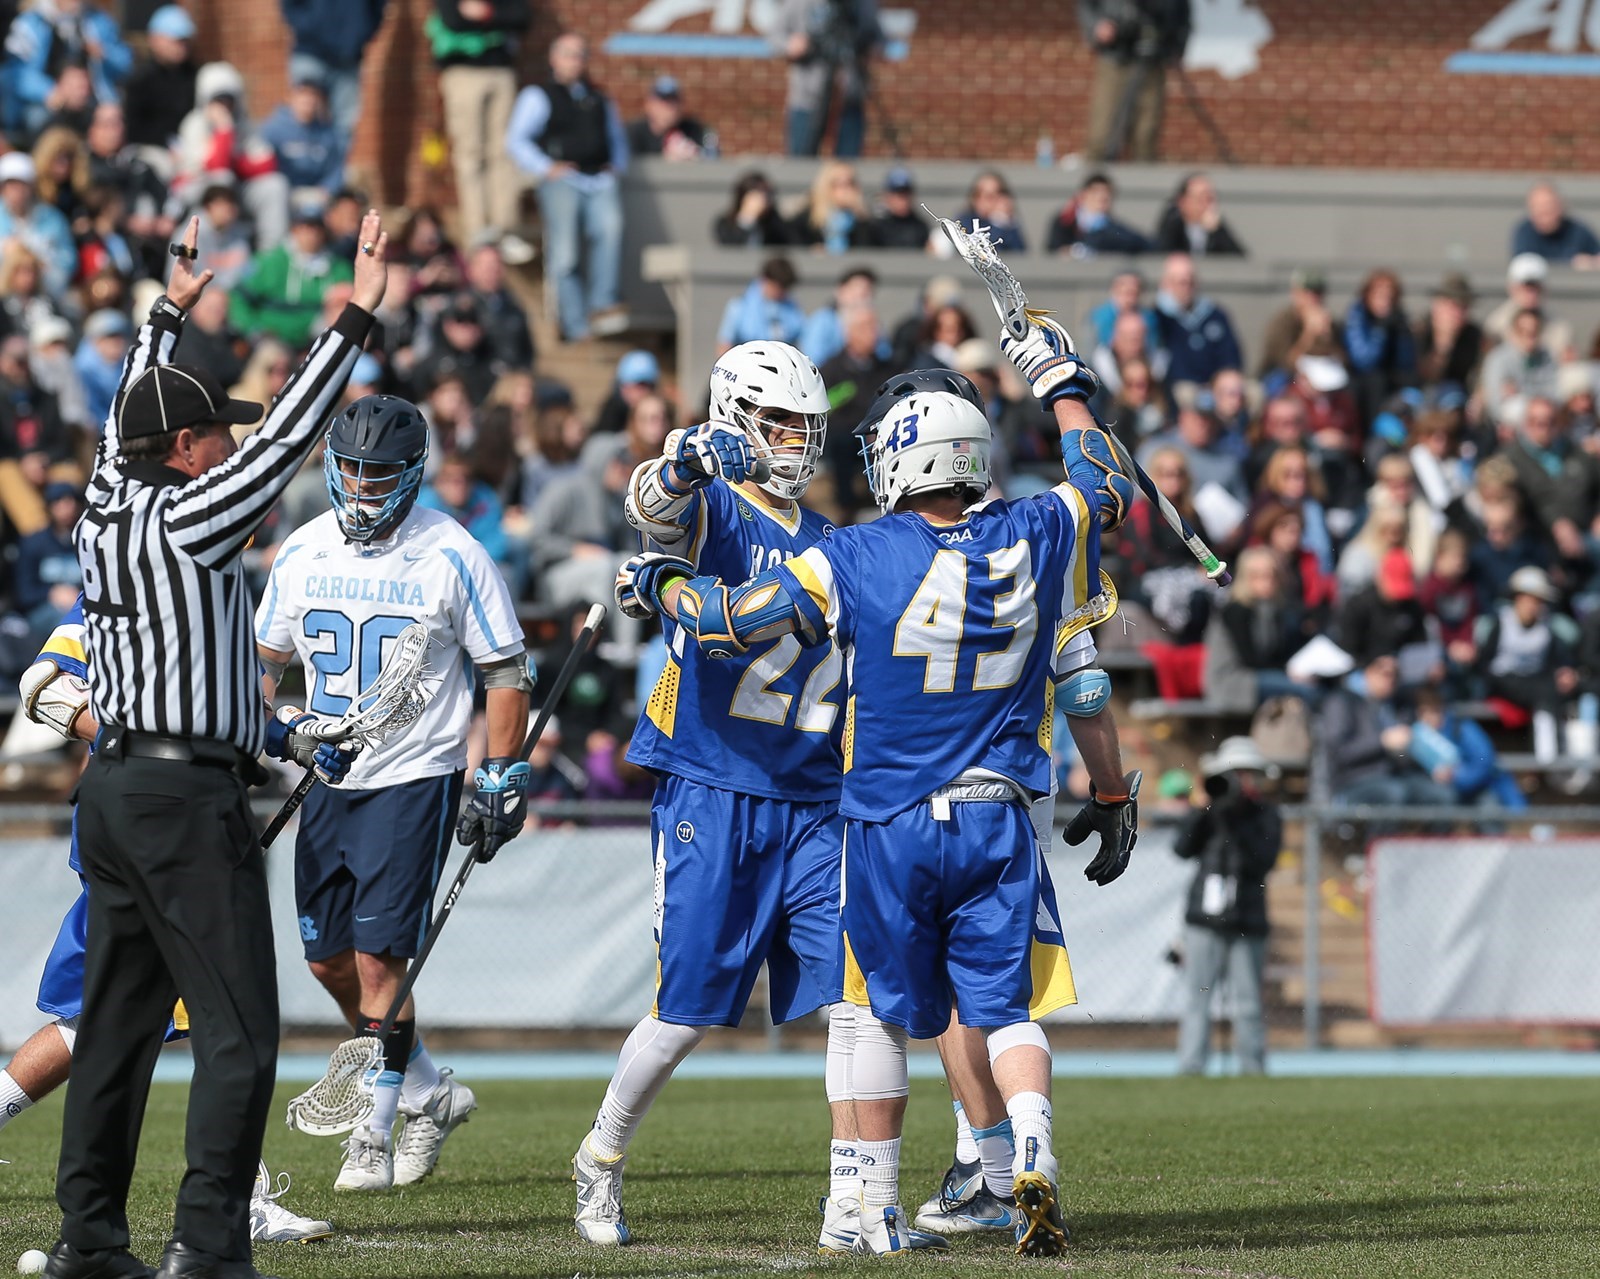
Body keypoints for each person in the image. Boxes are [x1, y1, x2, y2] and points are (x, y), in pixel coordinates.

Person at [616, 312, 1141, 1257]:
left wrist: (661, 590)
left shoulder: (851, 552)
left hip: (887, 817)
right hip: (1000, 811)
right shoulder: (1035, 531)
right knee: (1004, 1007)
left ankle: (873, 1208)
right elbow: (1107, 487)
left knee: (880, 1011)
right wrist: (1062, 381)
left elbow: (738, 621)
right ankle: (1022, 1154)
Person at [49, 211, 387, 1279]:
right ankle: (207, 1242)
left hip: (113, 793)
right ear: (188, 448)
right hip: (182, 803)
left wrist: (165, 313)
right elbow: (292, 433)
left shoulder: (104, 502)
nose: (233, 442)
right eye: (216, 433)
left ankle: (91, 1239)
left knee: (114, 1030)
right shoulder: (191, 516)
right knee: (240, 1030)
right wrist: (359, 312)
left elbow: (122, 421)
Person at [569, 341, 866, 1250]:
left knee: (860, 995)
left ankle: (859, 1193)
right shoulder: (718, 506)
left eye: (806, 425)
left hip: (814, 798)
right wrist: (687, 458)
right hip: (715, 785)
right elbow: (653, 509)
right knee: (689, 1012)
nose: (796, 440)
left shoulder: (833, 543)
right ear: (737, 414)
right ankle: (601, 1156)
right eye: (778, 422)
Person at [256, 394, 529, 1192]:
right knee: (327, 962)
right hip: (326, 776)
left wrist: (499, 769)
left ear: (411, 473)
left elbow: (504, 669)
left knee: (381, 961)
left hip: (415, 774)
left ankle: (373, 1130)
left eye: (380, 472)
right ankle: (427, 1091)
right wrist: (286, 724)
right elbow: (263, 664)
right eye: (352, 468)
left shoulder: (451, 552)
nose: (363, 485)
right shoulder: (302, 549)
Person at [7, 598, 335, 1247]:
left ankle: (228, 1200)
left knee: (92, 1018)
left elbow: (231, 712)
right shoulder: (125, 579)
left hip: (177, 826)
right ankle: (236, 1203)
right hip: (152, 826)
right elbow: (42, 687)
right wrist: (149, 750)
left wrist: (289, 737)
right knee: (225, 1012)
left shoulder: (210, 588)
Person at [507, 32, 629, 341]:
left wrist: (616, 167)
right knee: (566, 254)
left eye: (580, 55)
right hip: (564, 180)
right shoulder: (539, 95)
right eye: (568, 54)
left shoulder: (599, 98)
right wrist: (546, 168)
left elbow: (617, 140)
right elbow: (516, 139)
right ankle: (576, 325)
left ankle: (603, 305)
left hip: (599, 179)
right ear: (554, 58)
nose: (575, 62)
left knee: (611, 231)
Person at [1174, 736, 1282, 1076]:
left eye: (1246, 773)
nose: (1240, 781)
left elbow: (1263, 860)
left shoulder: (1265, 814)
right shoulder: (1211, 812)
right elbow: (1182, 848)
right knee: (1198, 999)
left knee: (1248, 1001)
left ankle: (1253, 1068)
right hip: (1204, 918)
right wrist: (1205, 808)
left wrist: (1239, 816)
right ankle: (1192, 1068)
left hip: (1247, 917)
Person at [430, 0, 531, 256]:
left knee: (505, 152)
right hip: (463, 72)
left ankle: (506, 229)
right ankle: (478, 230)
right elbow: (453, 19)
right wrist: (497, 18)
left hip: (501, 70)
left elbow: (521, 17)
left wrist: (485, 12)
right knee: (470, 154)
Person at [2, 0, 131, 141]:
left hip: (92, 98)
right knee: (38, 119)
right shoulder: (30, 23)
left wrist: (105, 53)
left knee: (112, 119)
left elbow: (126, 63)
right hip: (44, 101)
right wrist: (50, 91)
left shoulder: (98, 21)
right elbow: (16, 72)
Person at [1079, 0, 1189, 162]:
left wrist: (1177, 48)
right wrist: (1096, 26)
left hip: (1153, 62)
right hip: (1115, 58)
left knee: (1146, 134)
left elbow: (1183, 16)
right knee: (1102, 133)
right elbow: (1086, 6)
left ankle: (1143, 180)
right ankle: (1097, 183)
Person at [775, 0, 881, 158]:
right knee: (800, 160)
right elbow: (775, 35)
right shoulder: (799, 3)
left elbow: (878, 37)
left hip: (849, 100)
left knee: (847, 165)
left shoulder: (863, 4)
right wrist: (790, 45)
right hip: (807, 100)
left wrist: (873, 48)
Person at [278, 0, 387, 140]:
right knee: (303, 119)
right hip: (310, 52)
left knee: (344, 125)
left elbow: (378, 6)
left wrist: (361, 32)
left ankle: (335, 162)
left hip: (348, 57)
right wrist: (308, 27)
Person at [1151, 253, 1242, 389]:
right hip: (1175, 388)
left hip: (1215, 388)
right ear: (1166, 283)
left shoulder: (1215, 315)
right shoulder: (1156, 317)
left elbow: (1230, 356)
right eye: (1181, 282)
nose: (1186, 287)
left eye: (1190, 281)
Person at [259, 64, 347, 197]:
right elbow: (264, 168)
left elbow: (336, 169)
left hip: (319, 196)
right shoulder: (272, 130)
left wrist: (326, 191)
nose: (308, 100)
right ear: (290, 96)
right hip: (285, 195)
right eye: (303, 93)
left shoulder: (327, 132)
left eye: (313, 94)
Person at [121, 4, 197, 149]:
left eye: (185, 41)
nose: (182, 46)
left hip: (190, 148)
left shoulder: (195, 74)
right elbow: (135, 128)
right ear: (155, 39)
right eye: (176, 40)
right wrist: (167, 144)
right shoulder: (140, 80)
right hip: (152, 150)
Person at [0, 152, 76, 298]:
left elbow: (68, 262)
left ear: (31, 187)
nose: (16, 191)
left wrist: (34, 259)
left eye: (21, 185)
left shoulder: (53, 219)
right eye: (10, 185)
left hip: (45, 295)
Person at [1048, 170, 1151, 257]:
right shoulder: (1065, 222)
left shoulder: (1114, 229)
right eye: (1095, 192)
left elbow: (1141, 243)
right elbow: (1053, 250)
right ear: (1083, 195)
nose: (1102, 197)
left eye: (1107, 194)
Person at [715, 254, 804, 353]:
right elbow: (724, 345)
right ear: (766, 280)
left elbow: (800, 340)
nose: (781, 294)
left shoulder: (791, 306)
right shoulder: (739, 305)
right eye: (778, 288)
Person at [1510, 181, 1600, 268]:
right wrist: (1571, 264)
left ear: (1560, 206)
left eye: (1549, 207)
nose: (1544, 213)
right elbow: (1524, 267)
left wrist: (1590, 262)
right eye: (1539, 208)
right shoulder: (1524, 233)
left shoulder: (1578, 231)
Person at [1153, 172, 1245, 257]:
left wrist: (1218, 231)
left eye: (1210, 198)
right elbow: (1161, 253)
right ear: (1183, 201)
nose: (1208, 205)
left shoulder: (1218, 227)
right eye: (1201, 198)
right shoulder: (1173, 224)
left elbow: (1238, 258)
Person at [625, 74, 715, 159]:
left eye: (673, 101)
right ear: (649, 104)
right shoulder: (632, 132)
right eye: (663, 101)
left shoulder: (695, 130)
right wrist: (665, 159)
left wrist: (695, 155)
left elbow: (713, 159)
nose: (669, 108)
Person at [711, 169, 793, 247]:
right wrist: (747, 218)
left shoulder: (774, 222)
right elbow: (731, 247)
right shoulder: (725, 223)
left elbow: (791, 242)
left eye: (767, 194)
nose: (763, 200)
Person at [871, 166, 930, 250]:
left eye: (906, 194)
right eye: (898, 194)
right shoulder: (877, 227)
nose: (902, 200)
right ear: (887, 196)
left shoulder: (920, 227)